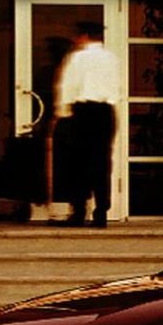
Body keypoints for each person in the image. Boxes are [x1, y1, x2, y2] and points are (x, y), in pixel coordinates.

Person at [52, 21, 120, 227]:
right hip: (106, 112)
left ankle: (79, 211)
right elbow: (116, 87)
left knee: (78, 163)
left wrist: (61, 114)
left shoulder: (78, 59)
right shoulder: (112, 59)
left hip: (83, 112)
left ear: (84, 36)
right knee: (102, 162)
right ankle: (101, 213)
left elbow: (68, 87)